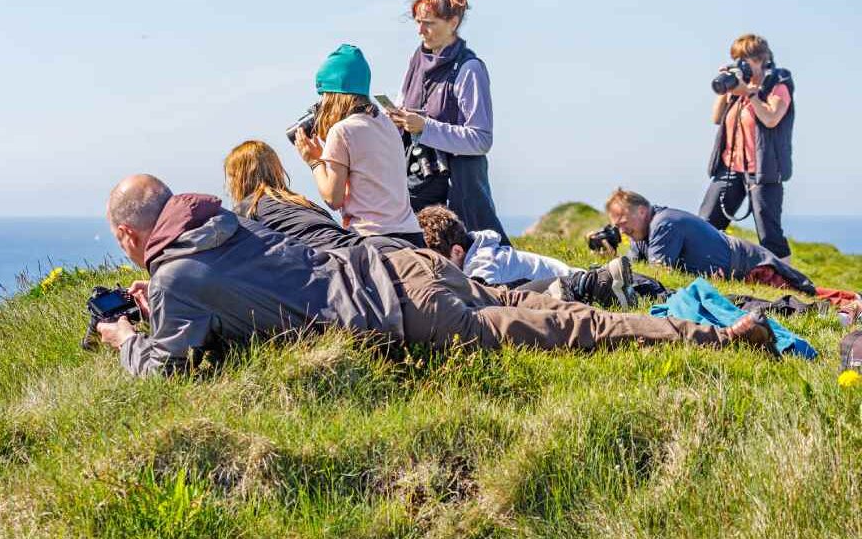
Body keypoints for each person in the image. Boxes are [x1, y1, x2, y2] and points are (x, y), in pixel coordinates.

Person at [95, 174, 777, 377]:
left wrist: (122, 337)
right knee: (540, 302)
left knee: (567, 329)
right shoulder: (221, 221)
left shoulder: (177, 274)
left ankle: (717, 339)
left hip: (395, 310)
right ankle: (708, 322)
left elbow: (163, 368)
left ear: (130, 235)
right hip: (401, 258)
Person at [388, 0, 509, 244]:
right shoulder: (416, 61)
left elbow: (481, 139)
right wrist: (397, 120)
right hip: (418, 180)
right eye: (418, 22)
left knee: (479, 260)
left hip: (460, 189)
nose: (420, 30)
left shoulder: (470, 69)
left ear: (453, 23)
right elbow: (405, 108)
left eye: (429, 23)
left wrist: (425, 128)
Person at [292, 44, 426, 247]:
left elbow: (333, 198)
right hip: (412, 237)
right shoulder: (386, 123)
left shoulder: (342, 131)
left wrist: (314, 161)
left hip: (374, 241)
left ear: (333, 95)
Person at [416, 205, 636, 308]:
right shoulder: (478, 252)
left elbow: (484, 298)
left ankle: (600, 283)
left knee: (499, 294)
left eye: (439, 263)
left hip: (573, 282)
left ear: (456, 251)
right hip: (567, 277)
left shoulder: (481, 261)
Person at [605, 188, 815, 294]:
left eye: (623, 223)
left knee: (811, 295)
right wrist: (610, 259)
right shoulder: (642, 232)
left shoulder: (663, 223)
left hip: (754, 269)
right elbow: (635, 267)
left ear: (641, 211)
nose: (622, 230)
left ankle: (849, 301)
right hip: (741, 267)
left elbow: (659, 276)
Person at [697, 34, 795, 261]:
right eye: (736, 59)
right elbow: (716, 117)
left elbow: (771, 118)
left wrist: (750, 93)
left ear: (761, 59)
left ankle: (786, 278)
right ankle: (703, 265)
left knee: (768, 231)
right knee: (706, 222)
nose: (740, 64)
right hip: (730, 168)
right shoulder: (737, 88)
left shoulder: (777, 85)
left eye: (744, 59)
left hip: (763, 171)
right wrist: (727, 88)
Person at [224, 139, 412, 253]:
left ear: (239, 178)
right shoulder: (301, 202)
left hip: (331, 260)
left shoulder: (247, 211)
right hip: (369, 246)